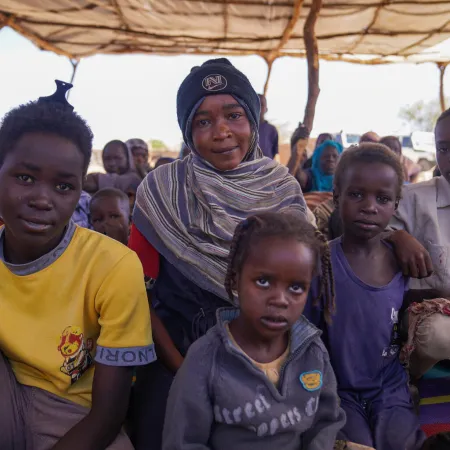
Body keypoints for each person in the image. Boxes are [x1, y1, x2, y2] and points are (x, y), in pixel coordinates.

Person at [128, 58, 308, 450]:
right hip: (177, 355)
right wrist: (182, 368)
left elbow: (300, 295)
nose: (222, 132)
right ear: (188, 132)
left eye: (234, 115)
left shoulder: (283, 190)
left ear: (253, 122)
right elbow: (137, 294)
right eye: (203, 121)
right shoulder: (161, 192)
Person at [0, 81, 155, 450]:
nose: (42, 199)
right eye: (25, 177)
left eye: (64, 186)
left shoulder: (113, 266)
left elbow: (106, 415)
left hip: (74, 413)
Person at [163, 212, 345, 450]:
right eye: (263, 282)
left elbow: (325, 422)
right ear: (236, 279)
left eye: (296, 287)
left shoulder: (312, 352)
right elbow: (184, 442)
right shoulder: (207, 359)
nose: (280, 300)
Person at [305, 144, 426, 450]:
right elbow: (305, 335)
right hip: (338, 390)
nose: (369, 206)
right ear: (336, 197)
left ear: (395, 206)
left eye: (382, 198)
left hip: (389, 387)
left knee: (404, 443)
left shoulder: (401, 261)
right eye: (356, 194)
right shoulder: (321, 263)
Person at [389, 108, 450, 378]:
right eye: (443, 148)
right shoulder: (413, 199)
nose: (449, 160)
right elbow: (361, 230)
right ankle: (408, 380)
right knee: (434, 335)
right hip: (433, 315)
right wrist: (394, 235)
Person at [258, 94, 279, 159]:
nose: (259, 107)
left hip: (266, 166)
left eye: (262, 105)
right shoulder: (245, 128)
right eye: (256, 104)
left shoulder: (272, 130)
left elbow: (275, 153)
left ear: (266, 109)